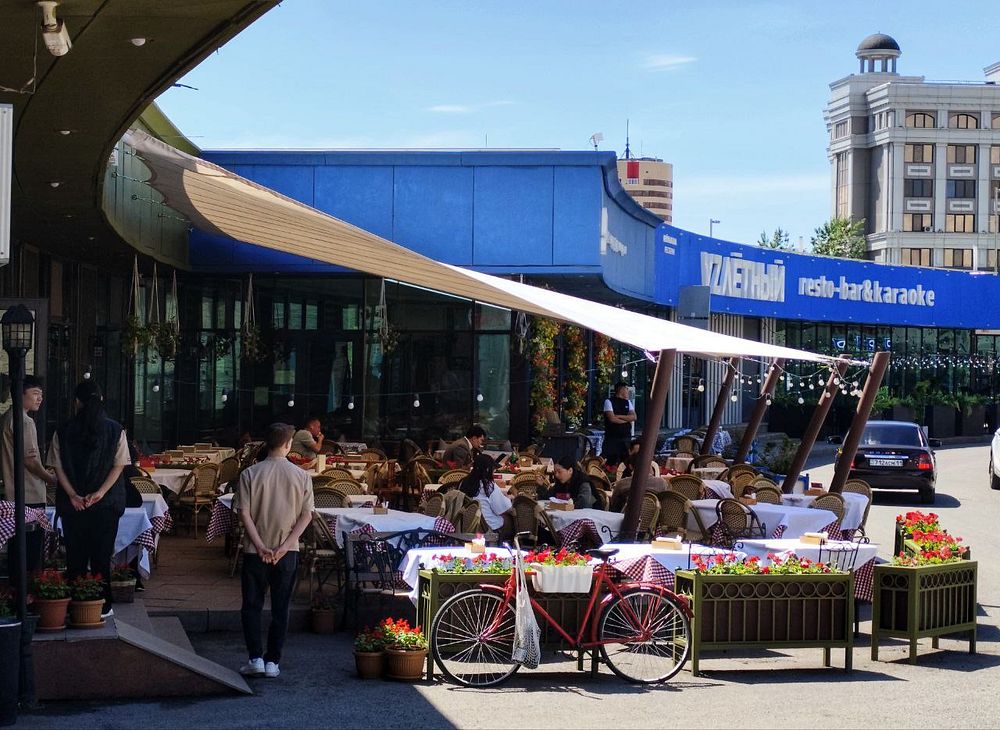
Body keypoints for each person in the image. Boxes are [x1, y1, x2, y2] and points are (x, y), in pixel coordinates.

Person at [233, 422, 314, 679]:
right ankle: (272, 661)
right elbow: (306, 516)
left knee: (251, 605)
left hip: (254, 551)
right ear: (289, 444)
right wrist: (285, 546)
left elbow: (244, 513)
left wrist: (259, 545)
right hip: (287, 552)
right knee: (281, 607)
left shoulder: (249, 474)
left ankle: (255, 657)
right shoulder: (301, 476)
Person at [50, 381, 129, 615]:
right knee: (101, 556)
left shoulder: (63, 430)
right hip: (106, 504)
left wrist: (73, 495)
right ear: (101, 400)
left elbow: (57, 467)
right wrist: (100, 493)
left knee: (75, 556)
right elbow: (119, 466)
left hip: (73, 505)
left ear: (77, 402)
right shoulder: (116, 430)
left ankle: (76, 604)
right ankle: (103, 605)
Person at [2, 375, 59, 584]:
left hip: (14, 492)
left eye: (41, 395)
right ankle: (27, 594)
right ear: (20, 394)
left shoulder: (7, 417)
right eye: (35, 394)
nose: (39, 399)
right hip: (30, 493)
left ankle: (16, 592)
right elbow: (30, 460)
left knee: (17, 550)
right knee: (31, 552)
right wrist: (50, 477)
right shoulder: (25, 422)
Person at [458, 454, 514, 540]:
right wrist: (508, 498)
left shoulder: (463, 483)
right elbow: (504, 508)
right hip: (487, 528)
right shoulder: (489, 486)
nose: (494, 471)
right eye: (493, 469)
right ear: (487, 469)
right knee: (511, 519)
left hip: (466, 526)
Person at [601, 382, 636, 466]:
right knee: (610, 461)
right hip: (612, 438)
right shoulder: (609, 401)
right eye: (626, 389)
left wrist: (619, 416)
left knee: (626, 461)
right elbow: (612, 418)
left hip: (626, 437)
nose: (628, 391)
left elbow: (634, 417)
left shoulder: (628, 402)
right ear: (621, 390)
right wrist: (627, 420)